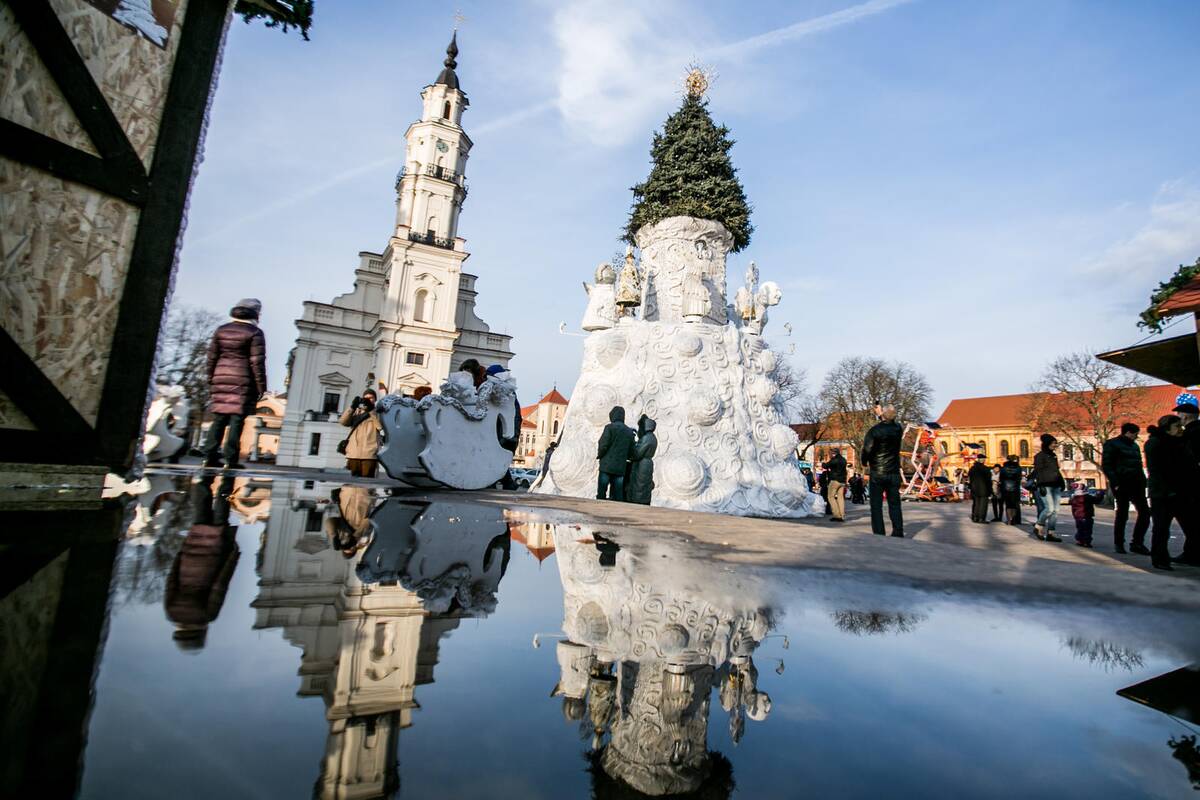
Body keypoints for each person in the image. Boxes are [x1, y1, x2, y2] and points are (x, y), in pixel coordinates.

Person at [165, 475, 240, 649]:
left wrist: (233, 556)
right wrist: (180, 553)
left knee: (222, 511)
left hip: (214, 557)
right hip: (190, 555)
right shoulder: (170, 612)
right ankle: (204, 478)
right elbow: (172, 579)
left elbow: (220, 584)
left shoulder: (206, 615)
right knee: (201, 513)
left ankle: (227, 478)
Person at [200, 298, 267, 468]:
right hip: (243, 380)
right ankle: (231, 459)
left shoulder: (222, 330)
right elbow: (256, 361)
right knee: (237, 421)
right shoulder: (254, 332)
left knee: (219, 418)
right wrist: (261, 386)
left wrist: (211, 378)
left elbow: (212, 357)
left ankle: (209, 456)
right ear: (256, 313)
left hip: (220, 378)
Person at [1144, 414, 1199, 570]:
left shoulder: (1180, 443)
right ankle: (1160, 559)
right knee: (1161, 528)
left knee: (1192, 527)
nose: (1180, 429)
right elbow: (1160, 469)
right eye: (1177, 426)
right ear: (1167, 428)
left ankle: (1193, 555)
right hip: (1163, 493)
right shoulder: (1155, 443)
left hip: (1182, 492)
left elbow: (1190, 467)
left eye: (1181, 426)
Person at [1102, 422, 1150, 555]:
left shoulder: (1134, 447)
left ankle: (1137, 543)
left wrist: (1143, 481)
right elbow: (1107, 465)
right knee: (1122, 514)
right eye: (1135, 434)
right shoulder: (1112, 444)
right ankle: (1119, 543)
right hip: (1121, 483)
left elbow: (1138, 466)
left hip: (1136, 483)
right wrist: (1115, 482)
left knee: (1145, 513)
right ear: (1128, 432)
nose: (1136, 437)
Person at [861, 405, 904, 537]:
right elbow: (889, 425)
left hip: (878, 472)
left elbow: (867, 449)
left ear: (884, 415)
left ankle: (879, 532)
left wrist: (864, 462)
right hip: (893, 471)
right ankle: (898, 531)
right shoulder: (898, 429)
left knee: (876, 505)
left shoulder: (874, 431)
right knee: (894, 504)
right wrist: (882, 414)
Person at [339, 389, 382, 478]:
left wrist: (371, 410)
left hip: (369, 455)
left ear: (375, 399)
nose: (368, 400)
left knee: (366, 487)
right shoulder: (357, 411)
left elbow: (380, 427)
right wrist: (352, 407)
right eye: (366, 398)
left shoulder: (379, 412)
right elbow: (343, 422)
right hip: (353, 454)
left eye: (371, 398)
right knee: (351, 485)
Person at [596, 406, 635, 501]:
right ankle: (617, 512)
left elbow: (603, 444)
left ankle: (598, 512)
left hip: (606, 465)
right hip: (620, 467)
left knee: (601, 492)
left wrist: (600, 455)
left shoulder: (609, 428)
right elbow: (631, 450)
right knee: (618, 493)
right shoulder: (629, 431)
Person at [1032, 433, 1065, 542]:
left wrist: (1062, 482)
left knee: (1055, 511)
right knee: (1049, 509)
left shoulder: (1053, 456)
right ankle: (1038, 526)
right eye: (1053, 443)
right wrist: (1039, 484)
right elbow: (1038, 471)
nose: (1055, 445)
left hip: (1055, 485)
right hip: (1045, 485)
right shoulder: (1039, 456)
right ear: (1047, 444)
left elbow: (1056, 470)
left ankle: (1051, 533)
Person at [626, 415, 658, 505]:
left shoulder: (646, 438)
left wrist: (632, 446)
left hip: (642, 465)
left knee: (639, 485)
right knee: (644, 485)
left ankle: (637, 502)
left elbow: (637, 453)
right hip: (647, 463)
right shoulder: (652, 437)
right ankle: (643, 501)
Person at [822, 447, 848, 522]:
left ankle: (837, 515)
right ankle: (842, 515)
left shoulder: (834, 460)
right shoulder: (843, 460)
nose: (830, 455)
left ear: (834, 453)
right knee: (840, 498)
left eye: (831, 453)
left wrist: (823, 462)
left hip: (835, 481)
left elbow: (825, 466)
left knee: (830, 496)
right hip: (842, 481)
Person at [1069, 482, 1096, 547]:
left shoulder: (1074, 498)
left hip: (1078, 517)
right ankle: (1086, 542)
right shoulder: (1087, 497)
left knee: (1080, 529)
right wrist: (1101, 494)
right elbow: (1097, 500)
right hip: (1087, 515)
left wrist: (1074, 515)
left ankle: (1080, 540)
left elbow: (1072, 507)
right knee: (1087, 530)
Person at [999, 454, 1023, 525]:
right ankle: (1014, 519)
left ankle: (1009, 520)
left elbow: (1001, 478)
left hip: (1006, 488)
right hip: (1015, 488)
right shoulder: (1018, 468)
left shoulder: (1003, 468)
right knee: (1014, 505)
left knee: (1008, 505)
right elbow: (1019, 478)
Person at [967, 457, 992, 524]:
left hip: (974, 488)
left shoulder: (972, 468)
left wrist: (971, 487)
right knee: (983, 504)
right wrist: (990, 490)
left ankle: (975, 517)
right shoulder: (986, 469)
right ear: (983, 461)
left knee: (976, 503)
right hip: (984, 489)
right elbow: (989, 481)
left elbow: (970, 478)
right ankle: (981, 518)